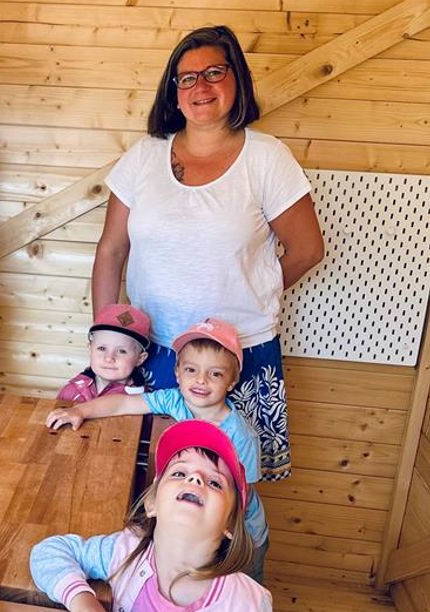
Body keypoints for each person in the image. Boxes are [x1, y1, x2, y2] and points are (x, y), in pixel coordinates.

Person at [91, 25, 324, 482]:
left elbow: (307, 249)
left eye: (214, 72)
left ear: (237, 79)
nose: (201, 86)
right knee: (143, 486)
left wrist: (252, 292)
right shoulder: (144, 156)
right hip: (150, 351)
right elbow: (112, 249)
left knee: (227, 496)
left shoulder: (267, 158)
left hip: (236, 360)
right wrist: (108, 340)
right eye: (187, 78)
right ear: (173, 93)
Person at [45, 318, 268, 584]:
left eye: (215, 374)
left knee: (235, 589)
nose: (200, 380)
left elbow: (242, 496)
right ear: (177, 373)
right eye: (191, 370)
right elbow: (121, 404)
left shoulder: (240, 436)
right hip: (195, 521)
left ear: (232, 381)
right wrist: (79, 410)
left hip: (239, 536)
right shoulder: (174, 399)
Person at [30, 419, 272, 611]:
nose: (195, 478)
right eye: (178, 473)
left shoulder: (247, 602)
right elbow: (49, 552)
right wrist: (83, 602)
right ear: (152, 503)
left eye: (215, 482)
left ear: (230, 524)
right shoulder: (125, 552)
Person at [56, 303, 150, 402]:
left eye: (122, 351)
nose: (109, 358)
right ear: (90, 349)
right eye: (101, 348)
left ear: (140, 359)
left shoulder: (140, 401)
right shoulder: (70, 391)